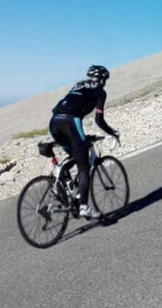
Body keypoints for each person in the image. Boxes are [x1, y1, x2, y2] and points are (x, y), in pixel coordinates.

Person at [49, 65, 120, 219]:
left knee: (76, 153)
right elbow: (99, 120)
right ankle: (83, 207)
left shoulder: (79, 84)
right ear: (102, 79)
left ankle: (61, 175)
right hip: (70, 121)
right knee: (84, 166)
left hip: (54, 122)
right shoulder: (100, 91)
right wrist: (112, 132)